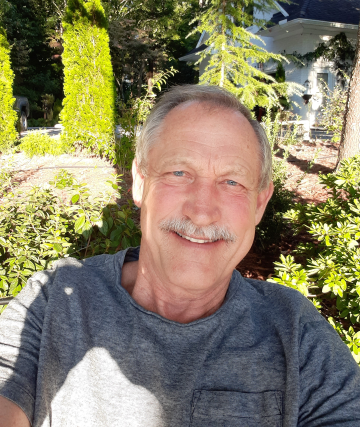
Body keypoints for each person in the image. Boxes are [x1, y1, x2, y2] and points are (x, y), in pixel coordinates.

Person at [0, 85, 359, 427]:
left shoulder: (294, 330)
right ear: (140, 183)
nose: (202, 212)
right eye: (179, 172)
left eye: (232, 181)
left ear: (260, 203)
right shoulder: (57, 298)